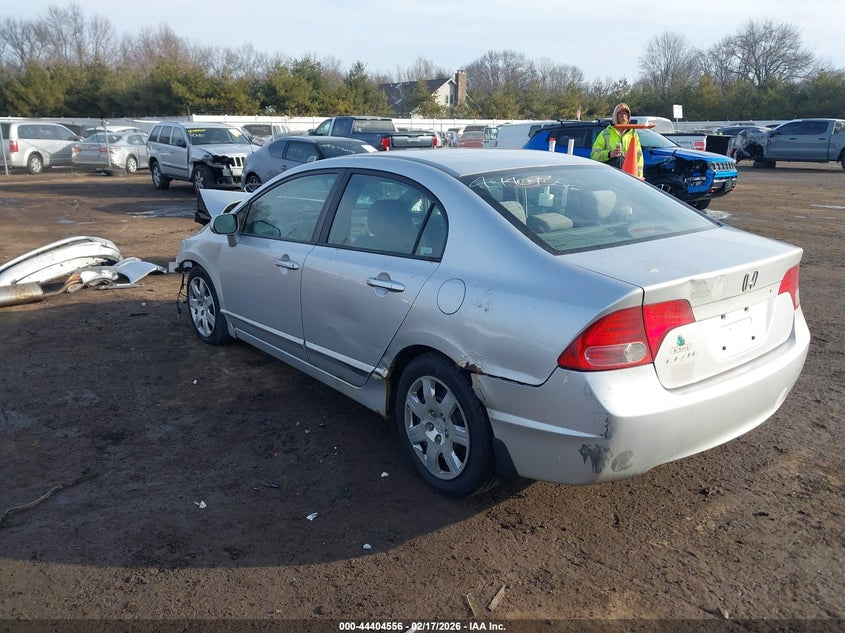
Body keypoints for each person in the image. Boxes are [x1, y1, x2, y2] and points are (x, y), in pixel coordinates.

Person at [590, 102, 644, 179]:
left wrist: (639, 176)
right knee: (618, 159)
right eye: (621, 114)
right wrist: (609, 154)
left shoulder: (633, 134)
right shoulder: (605, 133)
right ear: (615, 116)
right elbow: (594, 155)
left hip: (629, 177)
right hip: (610, 176)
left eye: (626, 114)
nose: (624, 116)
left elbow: (638, 156)